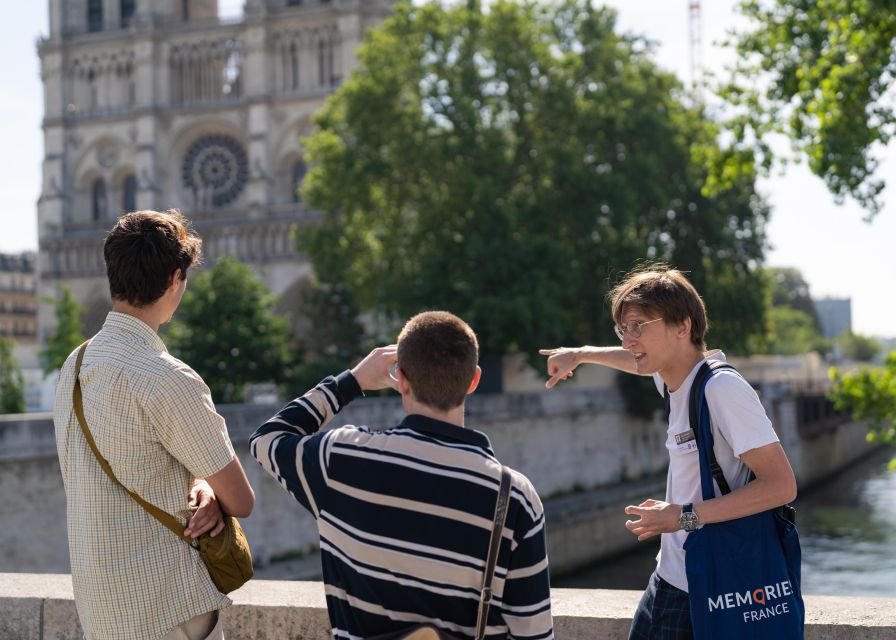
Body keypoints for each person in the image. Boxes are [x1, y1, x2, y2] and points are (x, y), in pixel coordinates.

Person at [249, 311, 553, 640]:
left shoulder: (341, 459)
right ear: (474, 380)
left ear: (402, 380)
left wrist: (351, 381)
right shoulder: (514, 498)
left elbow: (267, 439)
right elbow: (533, 633)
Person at [540, 267, 796, 640]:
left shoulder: (721, 389)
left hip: (709, 588)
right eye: (623, 329)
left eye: (639, 326)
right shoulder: (679, 380)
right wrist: (580, 355)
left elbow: (781, 486)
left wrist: (683, 517)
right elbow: (637, 362)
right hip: (670, 579)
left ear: (683, 326)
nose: (629, 340)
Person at [53, 210, 255, 640]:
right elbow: (240, 499)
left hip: (102, 608)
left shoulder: (75, 365)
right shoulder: (166, 377)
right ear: (174, 279)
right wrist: (212, 491)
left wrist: (200, 482)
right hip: (166, 609)